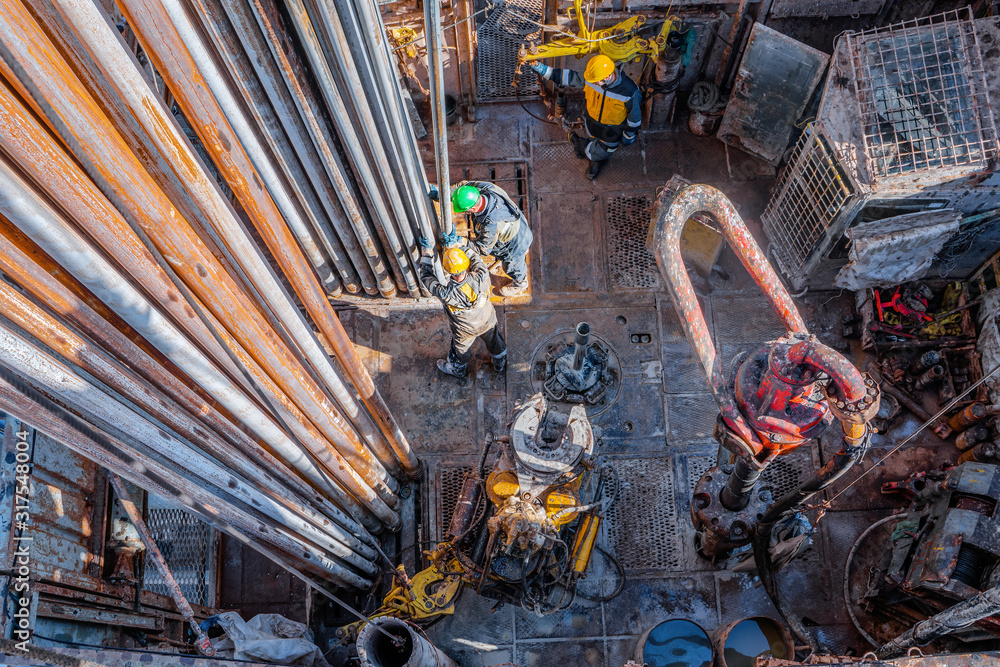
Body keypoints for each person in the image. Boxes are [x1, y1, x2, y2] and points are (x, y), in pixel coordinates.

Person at [529, 55, 641, 180]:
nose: (591, 83)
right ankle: (589, 148)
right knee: (593, 140)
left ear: (607, 77)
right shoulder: (593, 78)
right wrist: (542, 69)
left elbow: (634, 118)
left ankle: (584, 149)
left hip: (612, 132)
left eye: (594, 81)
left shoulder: (629, 91)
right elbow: (568, 77)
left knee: (600, 153)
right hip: (591, 123)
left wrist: (628, 137)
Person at [418, 238, 507, 379]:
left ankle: (457, 370)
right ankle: (500, 363)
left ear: (449, 272)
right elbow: (474, 257)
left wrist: (427, 254)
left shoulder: (445, 293)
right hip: (486, 320)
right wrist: (459, 246)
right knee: (495, 341)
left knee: (460, 351)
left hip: (465, 330)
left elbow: (426, 276)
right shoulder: (481, 275)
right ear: (466, 265)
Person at [450, 181, 533, 297]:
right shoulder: (486, 188)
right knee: (518, 254)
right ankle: (522, 252)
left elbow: (483, 249)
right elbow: (464, 185)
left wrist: (460, 241)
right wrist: (444, 195)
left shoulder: (491, 224)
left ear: (472, 209)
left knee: (511, 267)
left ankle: (520, 283)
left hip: (516, 244)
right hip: (519, 225)